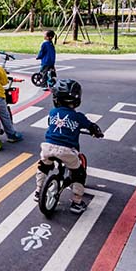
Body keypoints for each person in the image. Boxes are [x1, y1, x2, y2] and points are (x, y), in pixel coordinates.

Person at [33, 79, 103, 214]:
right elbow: (91, 126)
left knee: (44, 166)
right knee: (79, 173)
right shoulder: (78, 117)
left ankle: (38, 191)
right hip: (67, 151)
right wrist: (97, 132)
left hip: (47, 147)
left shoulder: (53, 113)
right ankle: (77, 202)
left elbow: (51, 123)